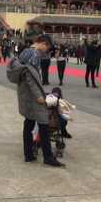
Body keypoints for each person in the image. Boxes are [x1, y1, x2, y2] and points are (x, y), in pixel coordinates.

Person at [6, 34, 65, 167]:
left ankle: (28, 154)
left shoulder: (25, 51)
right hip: (32, 94)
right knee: (44, 122)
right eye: (47, 47)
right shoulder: (34, 54)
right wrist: (39, 95)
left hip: (24, 92)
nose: (46, 51)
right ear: (43, 43)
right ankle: (48, 157)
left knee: (29, 122)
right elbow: (30, 76)